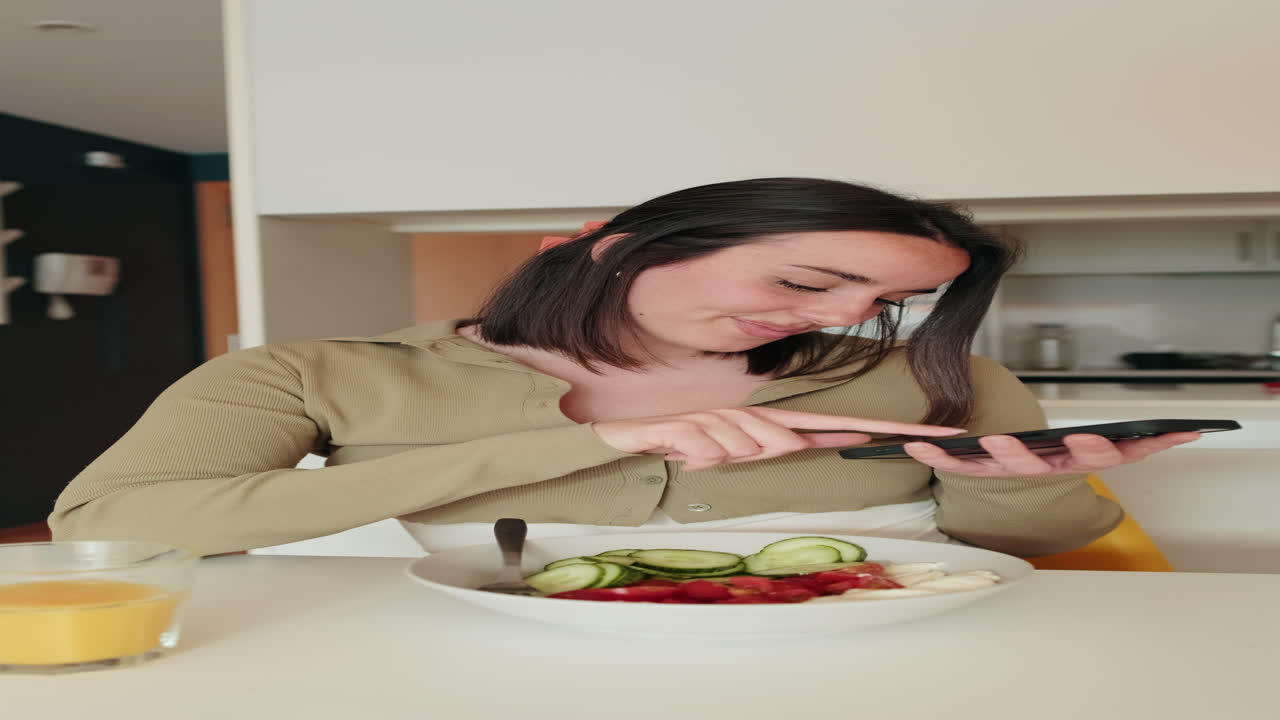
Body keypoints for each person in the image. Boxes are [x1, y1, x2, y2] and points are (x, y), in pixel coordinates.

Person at [49, 177, 1199, 557]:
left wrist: (1022, 489)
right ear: (617, 252)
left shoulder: (935, 382)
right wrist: (588, 442)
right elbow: (114, 527)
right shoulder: (311, 375)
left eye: (884, 301)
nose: (855, 320)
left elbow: (1039, 554)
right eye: (805, 284)